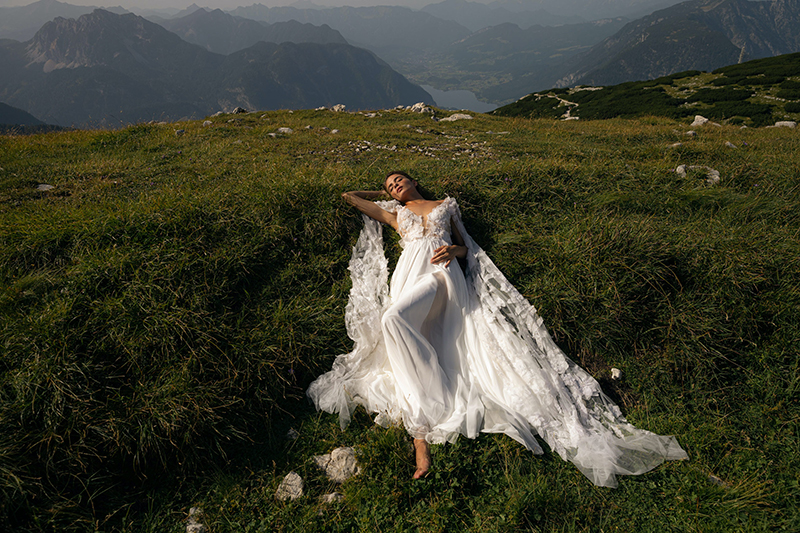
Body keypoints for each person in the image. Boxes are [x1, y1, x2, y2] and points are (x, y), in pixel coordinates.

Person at [307, 171, 687, 486]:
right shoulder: (395, 214)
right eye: (390, 186)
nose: (395, 187)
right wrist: (385, 195)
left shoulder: (445, 205)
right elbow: (350, 196)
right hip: (409, 276)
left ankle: (423, 422)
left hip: (440, 275)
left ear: (414, 180)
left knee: (393, 320)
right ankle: (421, 423)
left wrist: (453, 252)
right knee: (403, 325)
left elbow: (465, 246)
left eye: (399, 180)